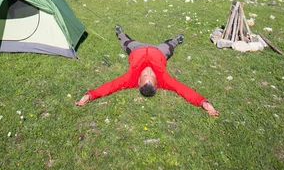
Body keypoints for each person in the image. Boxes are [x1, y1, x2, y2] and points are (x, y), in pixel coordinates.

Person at [76, 25, 219, 116]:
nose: (149, 71)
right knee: (169, 46)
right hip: (159, 52)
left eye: (146, 75)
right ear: (157, 83)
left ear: (138, 82)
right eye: (151, 76)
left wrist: (90, 95)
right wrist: (203, 103)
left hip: (137, 49)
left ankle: (120, 33)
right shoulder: (164, 80)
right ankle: (176, 40)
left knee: (126, 43)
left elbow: (111, 86)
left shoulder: (130, 78)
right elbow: (183, 90)